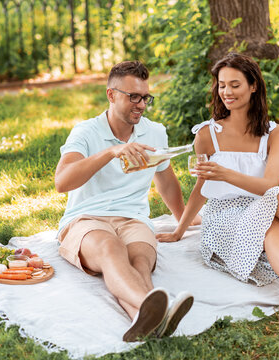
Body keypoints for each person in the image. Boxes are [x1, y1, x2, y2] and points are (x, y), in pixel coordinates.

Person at [156, 53, 279, 331]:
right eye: (222, 85)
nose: (226, 92)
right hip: (224, 215)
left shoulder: (276, 134)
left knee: (278, 198)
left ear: (253, 86)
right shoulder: (206, 134)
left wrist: (225, 173)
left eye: (235, 84)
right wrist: (180, 229)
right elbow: (202, 187)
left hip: (264, 204)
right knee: (272, 218)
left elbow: (269, 185)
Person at [55, 61, 197, 341]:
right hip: (88, 219)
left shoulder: (155, 132)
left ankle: (144, 322)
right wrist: (111, 152)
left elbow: (166, 180)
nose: (141, 104)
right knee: (111, 249)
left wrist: (183, 218)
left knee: (140, 262)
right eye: (133, 96)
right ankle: (160, 309)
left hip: (134, 220)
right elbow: (62, 181)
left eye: (145, 97)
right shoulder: (85, 132)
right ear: (111, 95)